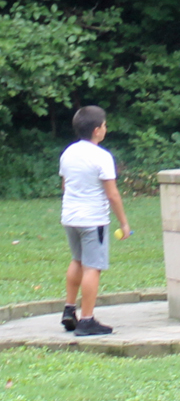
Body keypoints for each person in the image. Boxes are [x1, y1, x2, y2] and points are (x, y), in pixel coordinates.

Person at [59, 106, 130, 336]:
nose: (106, 129)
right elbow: (112, 194)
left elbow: (65, 185)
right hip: (93, 220)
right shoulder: (102, 157)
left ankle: (69, 310)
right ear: (97, 130)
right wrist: (124, 223)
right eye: (105, 125)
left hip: (70, 217)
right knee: (93, 267)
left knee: (77, 261)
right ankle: (87, 320)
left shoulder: (68, 153)